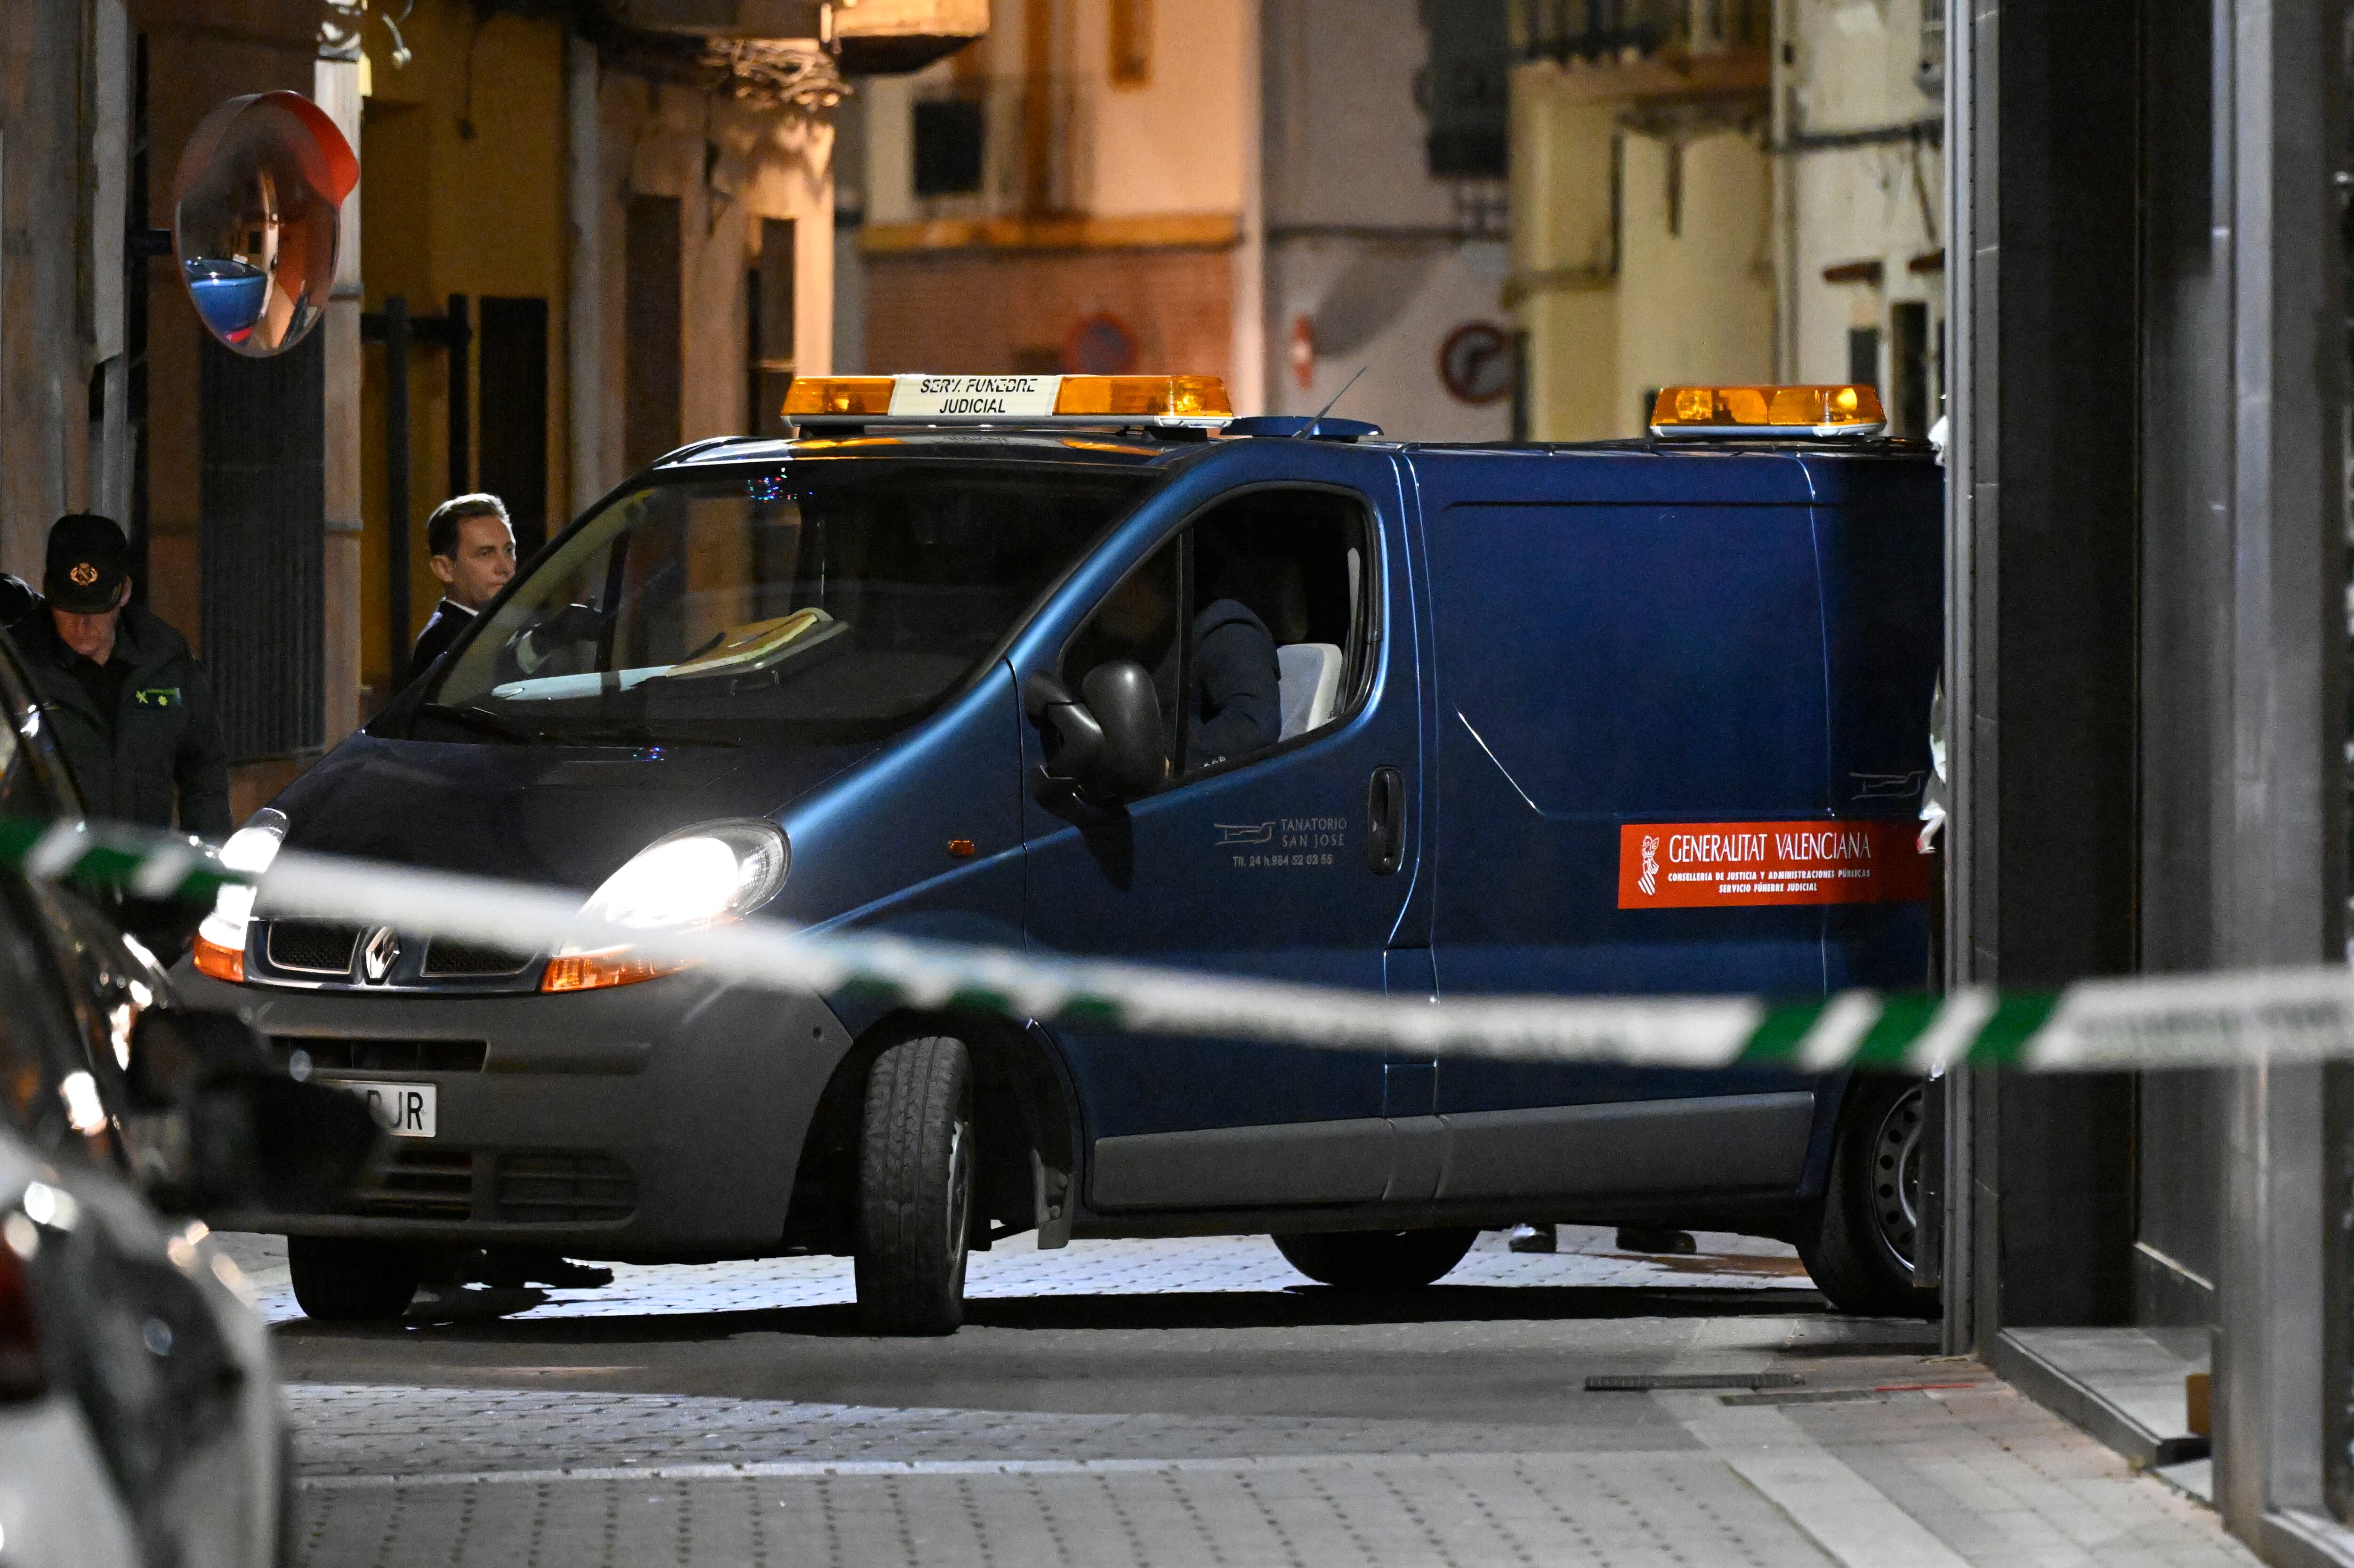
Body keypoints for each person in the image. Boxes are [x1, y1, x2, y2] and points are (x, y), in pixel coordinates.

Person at [0, 514, 231, 838]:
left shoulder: (164, 658)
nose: (82, 624)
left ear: (124, 592)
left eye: (96, 608)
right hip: (52, 878)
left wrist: (208, 868)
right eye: (69, 607)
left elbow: (204, 772)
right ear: (49, 592)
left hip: (146, 875)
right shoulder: (17, 668)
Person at [407, 493, 518, 685]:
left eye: (509, 551)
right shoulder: (441, 641)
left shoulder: (503, 625)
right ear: (445, 569)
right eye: (485, 554)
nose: (506, 567)